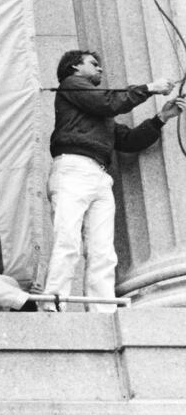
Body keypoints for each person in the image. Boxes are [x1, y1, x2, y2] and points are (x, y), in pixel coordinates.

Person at [45, 48, 180, 312]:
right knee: (68, 240)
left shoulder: (98, 113)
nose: (101, 69)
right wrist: (150, 87)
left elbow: (128, 141)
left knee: (103, 249)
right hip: (74, 168)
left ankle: (103, 310)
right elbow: (108, 102)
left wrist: (162, 117)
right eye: (93, 64)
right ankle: (54, 302)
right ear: (74, 68)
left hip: (97, 174)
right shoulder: (71, 85)